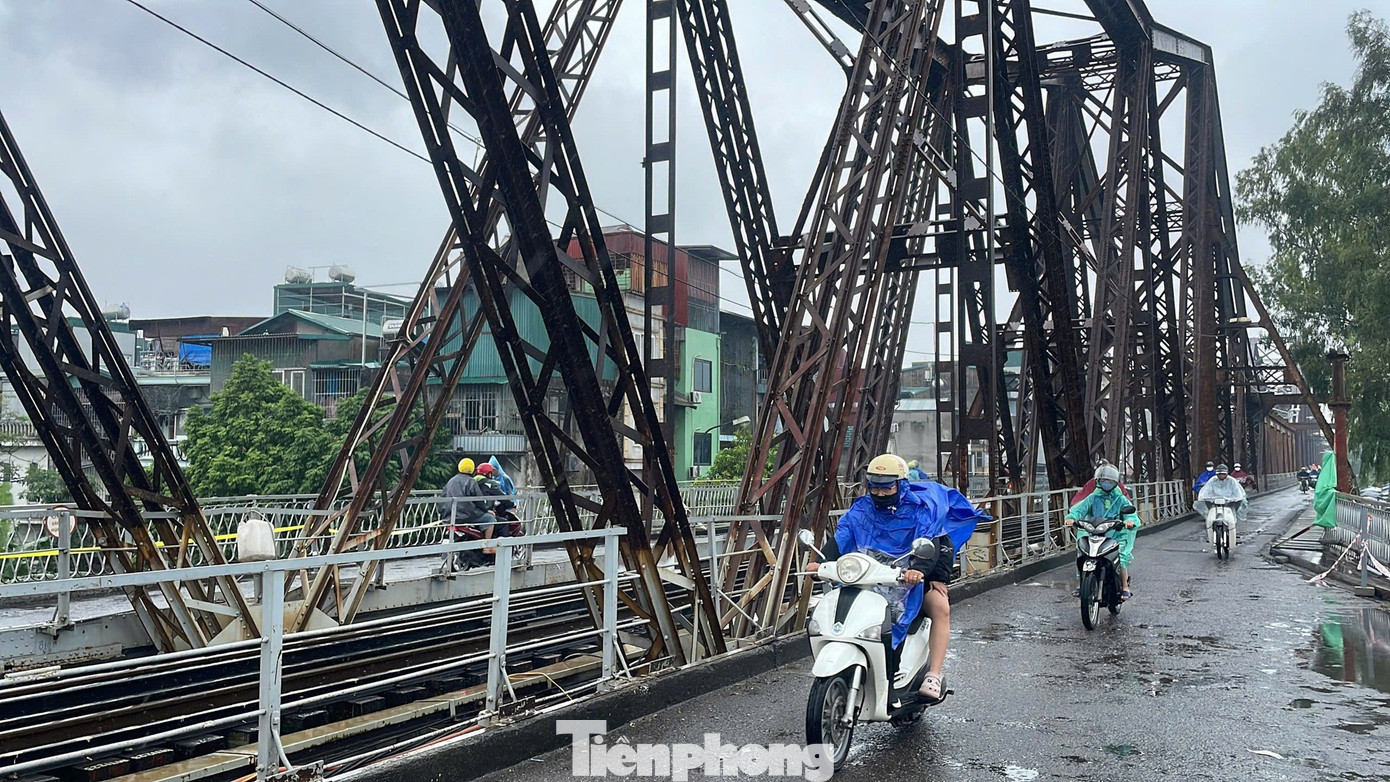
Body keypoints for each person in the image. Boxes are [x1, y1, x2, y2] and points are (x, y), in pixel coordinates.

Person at [805, 453, 989, 702]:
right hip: (868, 576)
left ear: (900, 484)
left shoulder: (920, 510)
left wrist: (922, 571)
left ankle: (933, 673)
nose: (880, 494)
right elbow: (842, 536)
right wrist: (821, 561)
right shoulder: (862, 508)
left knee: (940, 606)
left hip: (905, 578)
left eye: (886, 487)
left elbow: (931, 541)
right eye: (875, 488)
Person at [1066, 463, 1141, 601]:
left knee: (1121, 556)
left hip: (1115, 533)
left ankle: (1125, 586)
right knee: (1081, 553)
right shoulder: (1093, 497)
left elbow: (1130, 512)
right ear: (1098, 481)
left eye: (1110, 481)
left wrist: (1129, 521)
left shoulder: (1120, 498)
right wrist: (1072, 517)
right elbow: (1079, 509)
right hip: (1095, 531)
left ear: (1115, 482)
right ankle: (1080, 584)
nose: (1107, 483)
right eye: (1104, 480)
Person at [438, 458, 496, 571]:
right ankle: (487, 546)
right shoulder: (471, 481)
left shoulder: (451, 481)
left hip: (450, 516)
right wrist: (486, 510)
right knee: (490, 520)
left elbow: (442, 498)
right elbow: (478, 500)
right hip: (468, 515)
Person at [1194, 463, 1249, 549]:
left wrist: (1236, 498)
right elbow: (1206, 490)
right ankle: (1212, 537)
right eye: (1219, 474)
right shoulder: (1212, 480)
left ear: (1226, 473)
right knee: (1210, 519)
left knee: (1231, 521)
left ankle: (1231, 537)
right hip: (1215, 504)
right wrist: (1203, 497)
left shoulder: (1232, 481)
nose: (1221, 475)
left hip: (1229, 504)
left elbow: (1238, 492)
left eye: (1223, 474)